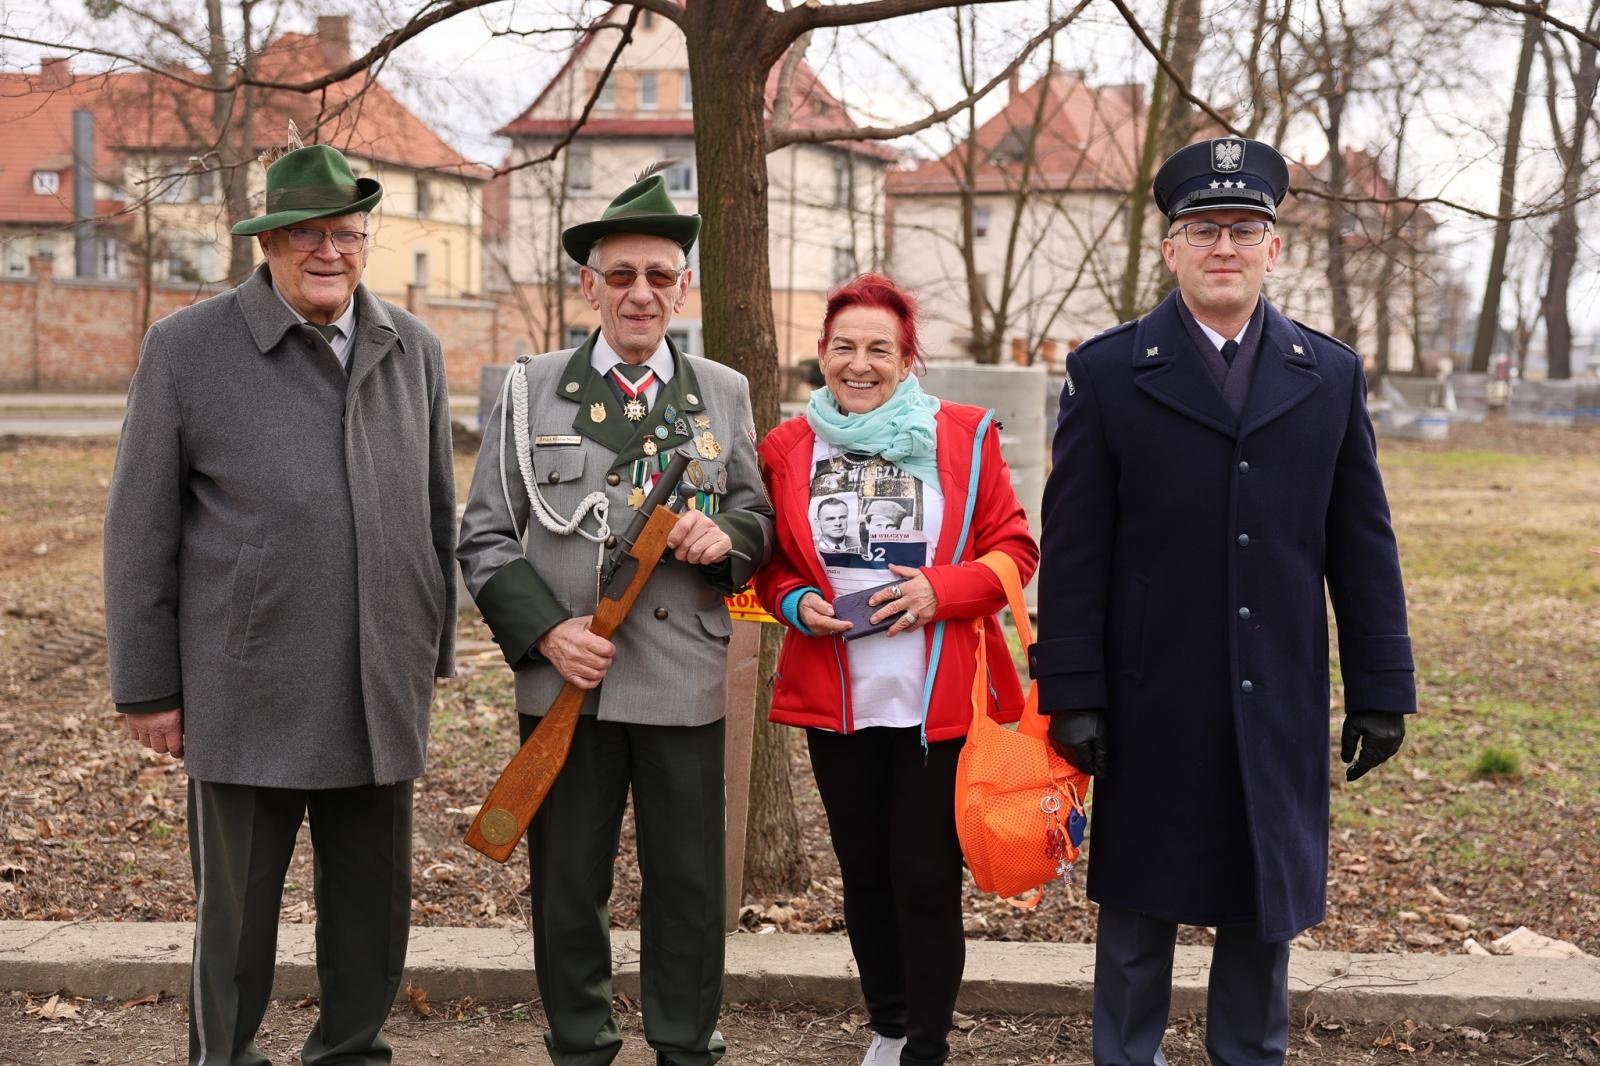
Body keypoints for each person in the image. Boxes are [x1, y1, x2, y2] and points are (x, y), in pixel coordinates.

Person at [1032, 137, 1415, 1066]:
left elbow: (1360, 543)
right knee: (1137, 916)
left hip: (1274, 695)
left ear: (1275, 249)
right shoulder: (1112, 372)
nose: (1225, 247)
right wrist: (1072, 691)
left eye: (1246, 229)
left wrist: (1380, 687)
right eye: (1203, 229)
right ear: (1171, 248)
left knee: (1262, 912)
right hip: (1147, 696)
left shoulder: (1326, 375)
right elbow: (1076, 552)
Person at [103, 143, 457, 1066]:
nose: (329, 251)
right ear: (268, 242)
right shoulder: (187, 347)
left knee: (371, 914)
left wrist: (431, 652)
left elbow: (433, 512)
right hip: (245, 680)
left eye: (347, 233)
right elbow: (139, 526)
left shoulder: (410, 345)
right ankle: (225, 1057)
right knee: (237, 920)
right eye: (307, 234)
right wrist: (146, 687)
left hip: (379, 677)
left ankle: (349, 1052)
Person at [456, 173, 772, 1066]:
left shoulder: (723, 391)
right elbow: (482, 536)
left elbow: (761, 520)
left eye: (661, 276)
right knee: (566, 886)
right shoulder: (529, 392)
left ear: (683, 288)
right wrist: (546, 632)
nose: (642, 293)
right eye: (622, 275)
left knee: (687, 885)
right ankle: (581, 1043)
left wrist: (728, 534)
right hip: (569, 676)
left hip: (684, 679)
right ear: (588, 286)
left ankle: (682, 1042)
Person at [753, 275, 1039, 1066]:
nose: (860, 362)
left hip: (937, 701)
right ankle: (886, 1023)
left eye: (879, 347)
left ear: (908, 357)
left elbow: (1015, 551)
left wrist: (939, 590)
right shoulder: (785, 449)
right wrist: (797, 601)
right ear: (820, 355)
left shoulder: (967, 435)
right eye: (843, 346)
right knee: (865, 874)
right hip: (835, 696)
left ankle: (926, 1042)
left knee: (922, 874)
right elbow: (769, 564)